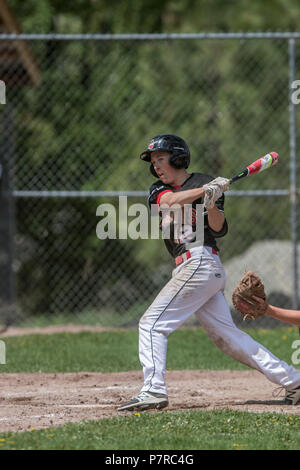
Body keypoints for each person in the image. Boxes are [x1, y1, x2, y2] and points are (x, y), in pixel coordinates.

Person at [117, 134, 300, 411]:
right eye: (153, 161)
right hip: (193, 269)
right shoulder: (159, 189)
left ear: (178, 158)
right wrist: (206, 192)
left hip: (201, 263)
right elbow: (169, 203)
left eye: (161, 159)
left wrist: (212, 202)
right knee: (230, 339)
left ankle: (153, 390)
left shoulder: (205, 182)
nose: (156, 166)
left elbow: (218, 229)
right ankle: (295, 381)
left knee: (151, 324)